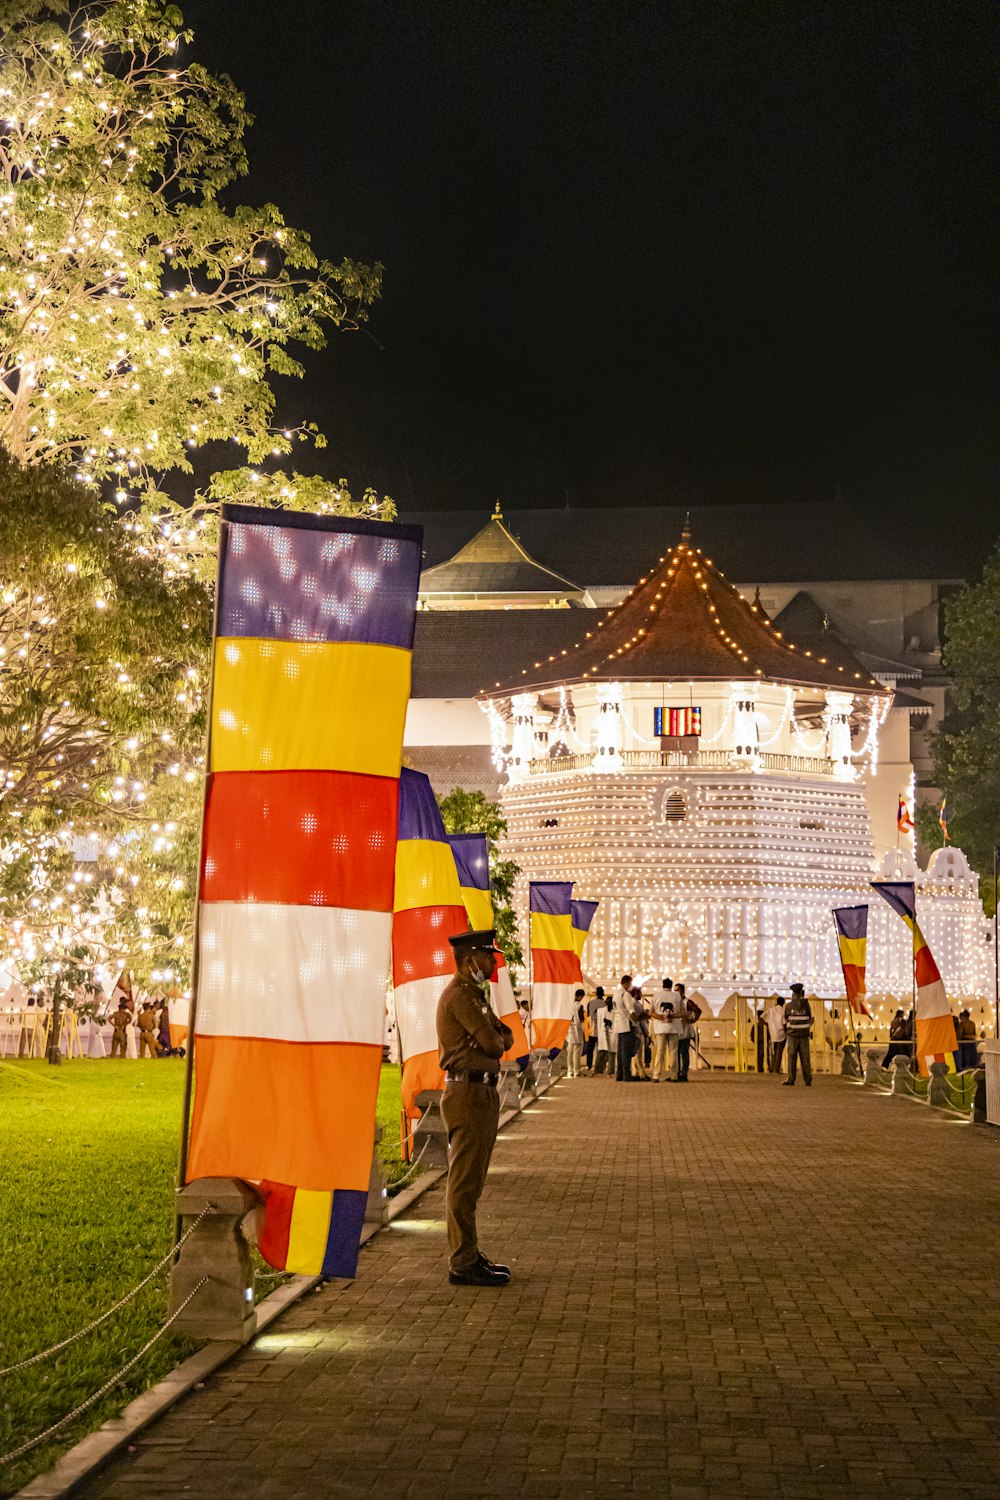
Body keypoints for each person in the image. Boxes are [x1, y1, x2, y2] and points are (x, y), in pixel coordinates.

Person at [437, 928, 514, 1288]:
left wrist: (495, 1039)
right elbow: (494, 1043)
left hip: (480, 1092)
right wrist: (493, 1040)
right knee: (465, 1182)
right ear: (470, 960)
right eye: (488, 957)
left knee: (474, 1180)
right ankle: (462, 1261)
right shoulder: (459, 996)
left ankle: (468, 1251)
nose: (494, 962)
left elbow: (505, 1036)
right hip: (466, 1092)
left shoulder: (474, 994)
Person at [782, 983, 813, 1086]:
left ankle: (791, 1079)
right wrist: (806, 1026)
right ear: (801, 994)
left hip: (792, 1036)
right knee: (805, 1057)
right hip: (804, 1035)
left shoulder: (788, 1006)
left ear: (793, 994)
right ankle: (807, 1079)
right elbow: (812, 1018)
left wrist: (788, 1030)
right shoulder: (807, 1005)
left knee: (791, 1057)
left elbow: (784, 1021)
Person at [612, 974, 636, 1081]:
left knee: (620, 1050)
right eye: (630, 983)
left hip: (618, 1024)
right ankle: (627, 1074)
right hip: (626, 1024)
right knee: (626, 1051)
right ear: (626, 983)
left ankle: (619, 1074)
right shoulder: (625, 994)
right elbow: (631, 1011)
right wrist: (636, 1021)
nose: (631, 986)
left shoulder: (616, 993)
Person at [650, 977, 674, 1081]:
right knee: (673, 1052)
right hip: (674, 1027)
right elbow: (681, 1012)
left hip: (660, 1027)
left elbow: (651, 1012)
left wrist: (661, 1017)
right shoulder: (676, 996)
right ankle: (674, 1075)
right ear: (671, 986)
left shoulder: (656, 996)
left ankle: (656, 1074)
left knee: (660, 1051)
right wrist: (669, 1017)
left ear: (663, 985)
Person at [676, 984, 700, 1082]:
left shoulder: (687, 1002)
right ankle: (676, 1073)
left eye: (677, 990)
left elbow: (698, 1011)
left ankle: (684, 1073)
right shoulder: (676, 1001)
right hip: (677, 1030)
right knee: (676, 1053)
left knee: (684, 1053)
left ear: (682, 991)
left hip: (685, 1030)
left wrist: (692, 1020)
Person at [763, 996, 786, 1074]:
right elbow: (784, 1023)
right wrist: (787, 1032)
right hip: (782, 1034)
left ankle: (772, 1068)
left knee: (774, 1052)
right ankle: (776, 1069)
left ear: (776, 1002)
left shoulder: (770, 1010)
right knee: (779, 1052)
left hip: (773, 1033)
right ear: (783, 1003)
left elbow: (761, 1018)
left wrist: (767, 1024)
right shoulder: (783, 1011)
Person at [593, 991, 615, 1074]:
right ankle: (611, 1071)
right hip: (612, 1034)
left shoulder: (600, 1010)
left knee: (601, 1053)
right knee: (612, 1053)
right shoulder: (615, 1012)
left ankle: (598, 1070)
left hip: (602, 1034)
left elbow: (594, 1013)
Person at [566, 989, 585, 1077]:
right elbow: (581, 1019)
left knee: (570, 1052)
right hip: (577, 1030)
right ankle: (577, 1071)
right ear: (580, 996)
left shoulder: (568, 1005)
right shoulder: (580, 1006)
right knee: (577, 1052)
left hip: (569, 1029)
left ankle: (570, 1071)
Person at [584, 987, 604, 1071]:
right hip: (601, 1030)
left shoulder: (590, 1003)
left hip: (592, 1028)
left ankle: (589, 1065)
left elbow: (588, 1015)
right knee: (601, 1050)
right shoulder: (605, 1003)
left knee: (590, 1049)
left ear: (596, 993)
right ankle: (599, 1067)